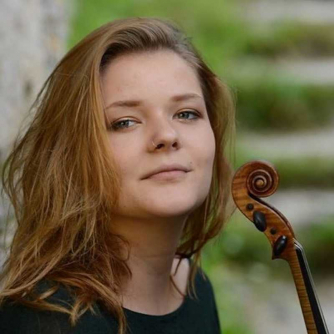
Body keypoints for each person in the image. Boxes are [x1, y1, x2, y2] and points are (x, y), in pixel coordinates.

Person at [0, 17, 235, 333]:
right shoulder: (46, 322)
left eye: (186, 113)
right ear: (71, 156)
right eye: (125, 122)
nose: (166, 135)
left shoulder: (195, 290)